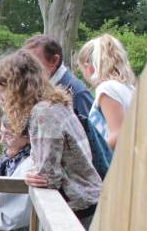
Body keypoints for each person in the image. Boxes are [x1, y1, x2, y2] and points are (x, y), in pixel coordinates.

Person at [0, 50, 101, 229]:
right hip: (88, 202)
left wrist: (35, 175)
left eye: (2, 90)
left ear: (17, 87)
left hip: (80, 209)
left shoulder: (43, 113)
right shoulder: (54, 104)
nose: (0, 97)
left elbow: (47, 177)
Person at [23, 34, 112, 179]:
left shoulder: (76, 92)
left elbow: (90, 144)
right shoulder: (46, 88)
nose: (27, 68)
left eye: (33, 62)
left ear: (54, 61)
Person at [76, 33, 136, 150]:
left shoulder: (107, 89)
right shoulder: (128, 87)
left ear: (89, 67)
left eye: (82, 69)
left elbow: (118, 134)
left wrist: (91, 155)